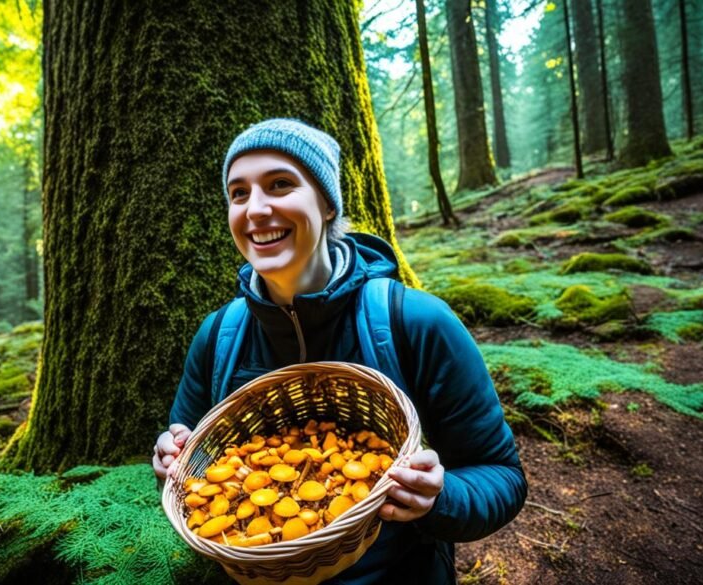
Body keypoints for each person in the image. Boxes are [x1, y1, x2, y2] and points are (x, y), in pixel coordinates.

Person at [153, 118, 526, 584]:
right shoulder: (218, 336)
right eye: (239, 193)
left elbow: (503, 477)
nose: (256, 209)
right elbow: (193, 481)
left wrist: (439, 498)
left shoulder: (413, 322)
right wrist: (171, 458)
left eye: (280, 184)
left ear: (327, 203)